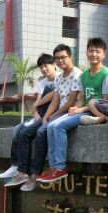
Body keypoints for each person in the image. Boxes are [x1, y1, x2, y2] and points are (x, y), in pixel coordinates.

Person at [36, 38, 108, 184]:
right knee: (51, 126)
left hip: (96, 111)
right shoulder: (84, 76)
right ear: (86, 53)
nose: (94, 54)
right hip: (84, 109)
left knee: (58, 126)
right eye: (91, 51)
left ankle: (60, 167)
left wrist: (80, 109)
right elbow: (81, 98)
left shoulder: (106, 74)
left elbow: (105, 102)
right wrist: (76, 108)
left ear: (104, 54)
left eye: (98, 51)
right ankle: (53, 167)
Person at [19, 44, 82, 191]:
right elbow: (55, 100)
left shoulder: (77, 74)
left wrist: (52, 116)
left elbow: (71, 102)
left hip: (70, 112)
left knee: (42, 131)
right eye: (57, 58)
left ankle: (44, 171)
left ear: (70, 57)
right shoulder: (59, 78)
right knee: (30, 131)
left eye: (63, 57)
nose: (60, 61)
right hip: (58, 113)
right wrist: (46, 117)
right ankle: (44, 169)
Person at [0, 53, 57, 187]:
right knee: (17, 130)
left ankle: (29, 172)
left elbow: (52, 96)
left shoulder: (59, 79)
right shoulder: (42, 82)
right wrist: (36, 113)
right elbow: (36, 105)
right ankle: (16, 166)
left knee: (28, 133)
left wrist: (37, 106)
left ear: (54, 65)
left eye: (46, 66)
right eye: (41, 67)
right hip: (41, 115)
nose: (44, 69)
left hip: (52, 115)